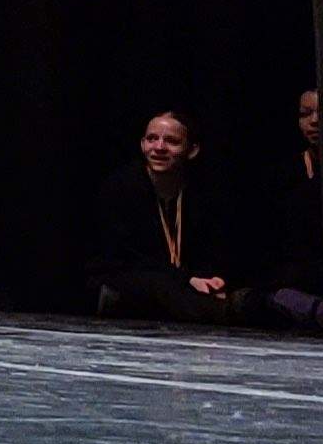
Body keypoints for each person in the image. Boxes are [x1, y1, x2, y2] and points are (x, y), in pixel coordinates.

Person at [89, 110, 255, 326]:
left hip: (180, 281)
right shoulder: (121, 188)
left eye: (172, 141)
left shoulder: (203, 193)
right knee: (158, 285)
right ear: (142, 144)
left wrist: (211, 279)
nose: (159, 147)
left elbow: (214, 247)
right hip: (127, 276)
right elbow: (126, 258)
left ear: (192, 150)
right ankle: (226, 312)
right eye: (152, 139)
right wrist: (186, 279)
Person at [264, 88, 323, 330]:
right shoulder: (285, 172)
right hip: (298, 273)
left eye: (322, 112)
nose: (314, 121)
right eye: (305, 113)